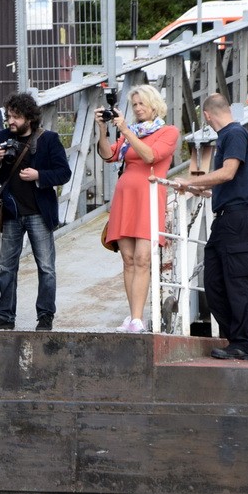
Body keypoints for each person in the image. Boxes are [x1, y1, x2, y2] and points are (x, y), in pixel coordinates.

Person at [176, 93, 248, 361]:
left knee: (237, 282)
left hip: (237, 219)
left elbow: (228, 173)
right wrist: (208, 192)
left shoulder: (233, 134)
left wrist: (191, 183)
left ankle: (244, 344)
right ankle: (235, 339)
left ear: (207, 115)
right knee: (214, 282)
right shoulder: (229, 136)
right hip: (227, 218)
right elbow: (230, 183)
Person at [0, 93, 71, 331]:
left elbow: (64, 173)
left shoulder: (48, 139)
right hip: (10, 213)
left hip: (38, 213)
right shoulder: (1, 137)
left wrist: (39, 175)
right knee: (7, 267)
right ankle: (4, 316)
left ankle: (45, 316)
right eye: (8, 115)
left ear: (29, 118)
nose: (11, 121)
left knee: (46, 267)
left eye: (16, 117)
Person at [95, 84, 180, 333]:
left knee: (143, 259)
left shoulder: (168, 131)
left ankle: (137, 319)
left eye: (142, 103)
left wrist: (124, 130)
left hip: (149, 198)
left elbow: (150, 156)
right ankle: (134, 316)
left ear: (154, 104)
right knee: (128, 259)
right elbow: (109, 155)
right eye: (134, 105)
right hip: (125, 198)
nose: (138, 108)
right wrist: (103, 131)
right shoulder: (130, 131)